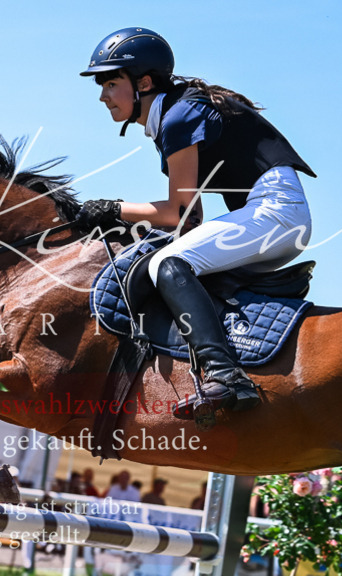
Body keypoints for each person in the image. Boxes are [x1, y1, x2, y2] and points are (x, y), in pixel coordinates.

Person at [78, 27, 315, 420]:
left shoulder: (178, 118)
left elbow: (179, 214)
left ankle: (226, 376)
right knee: (171, 257)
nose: (103, 96)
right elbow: (191, 219)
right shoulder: (177, 112)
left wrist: (114, 208)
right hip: (272, 215)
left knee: (168, 265)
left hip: (275, 213)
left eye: (111, 82)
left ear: (145, 82)